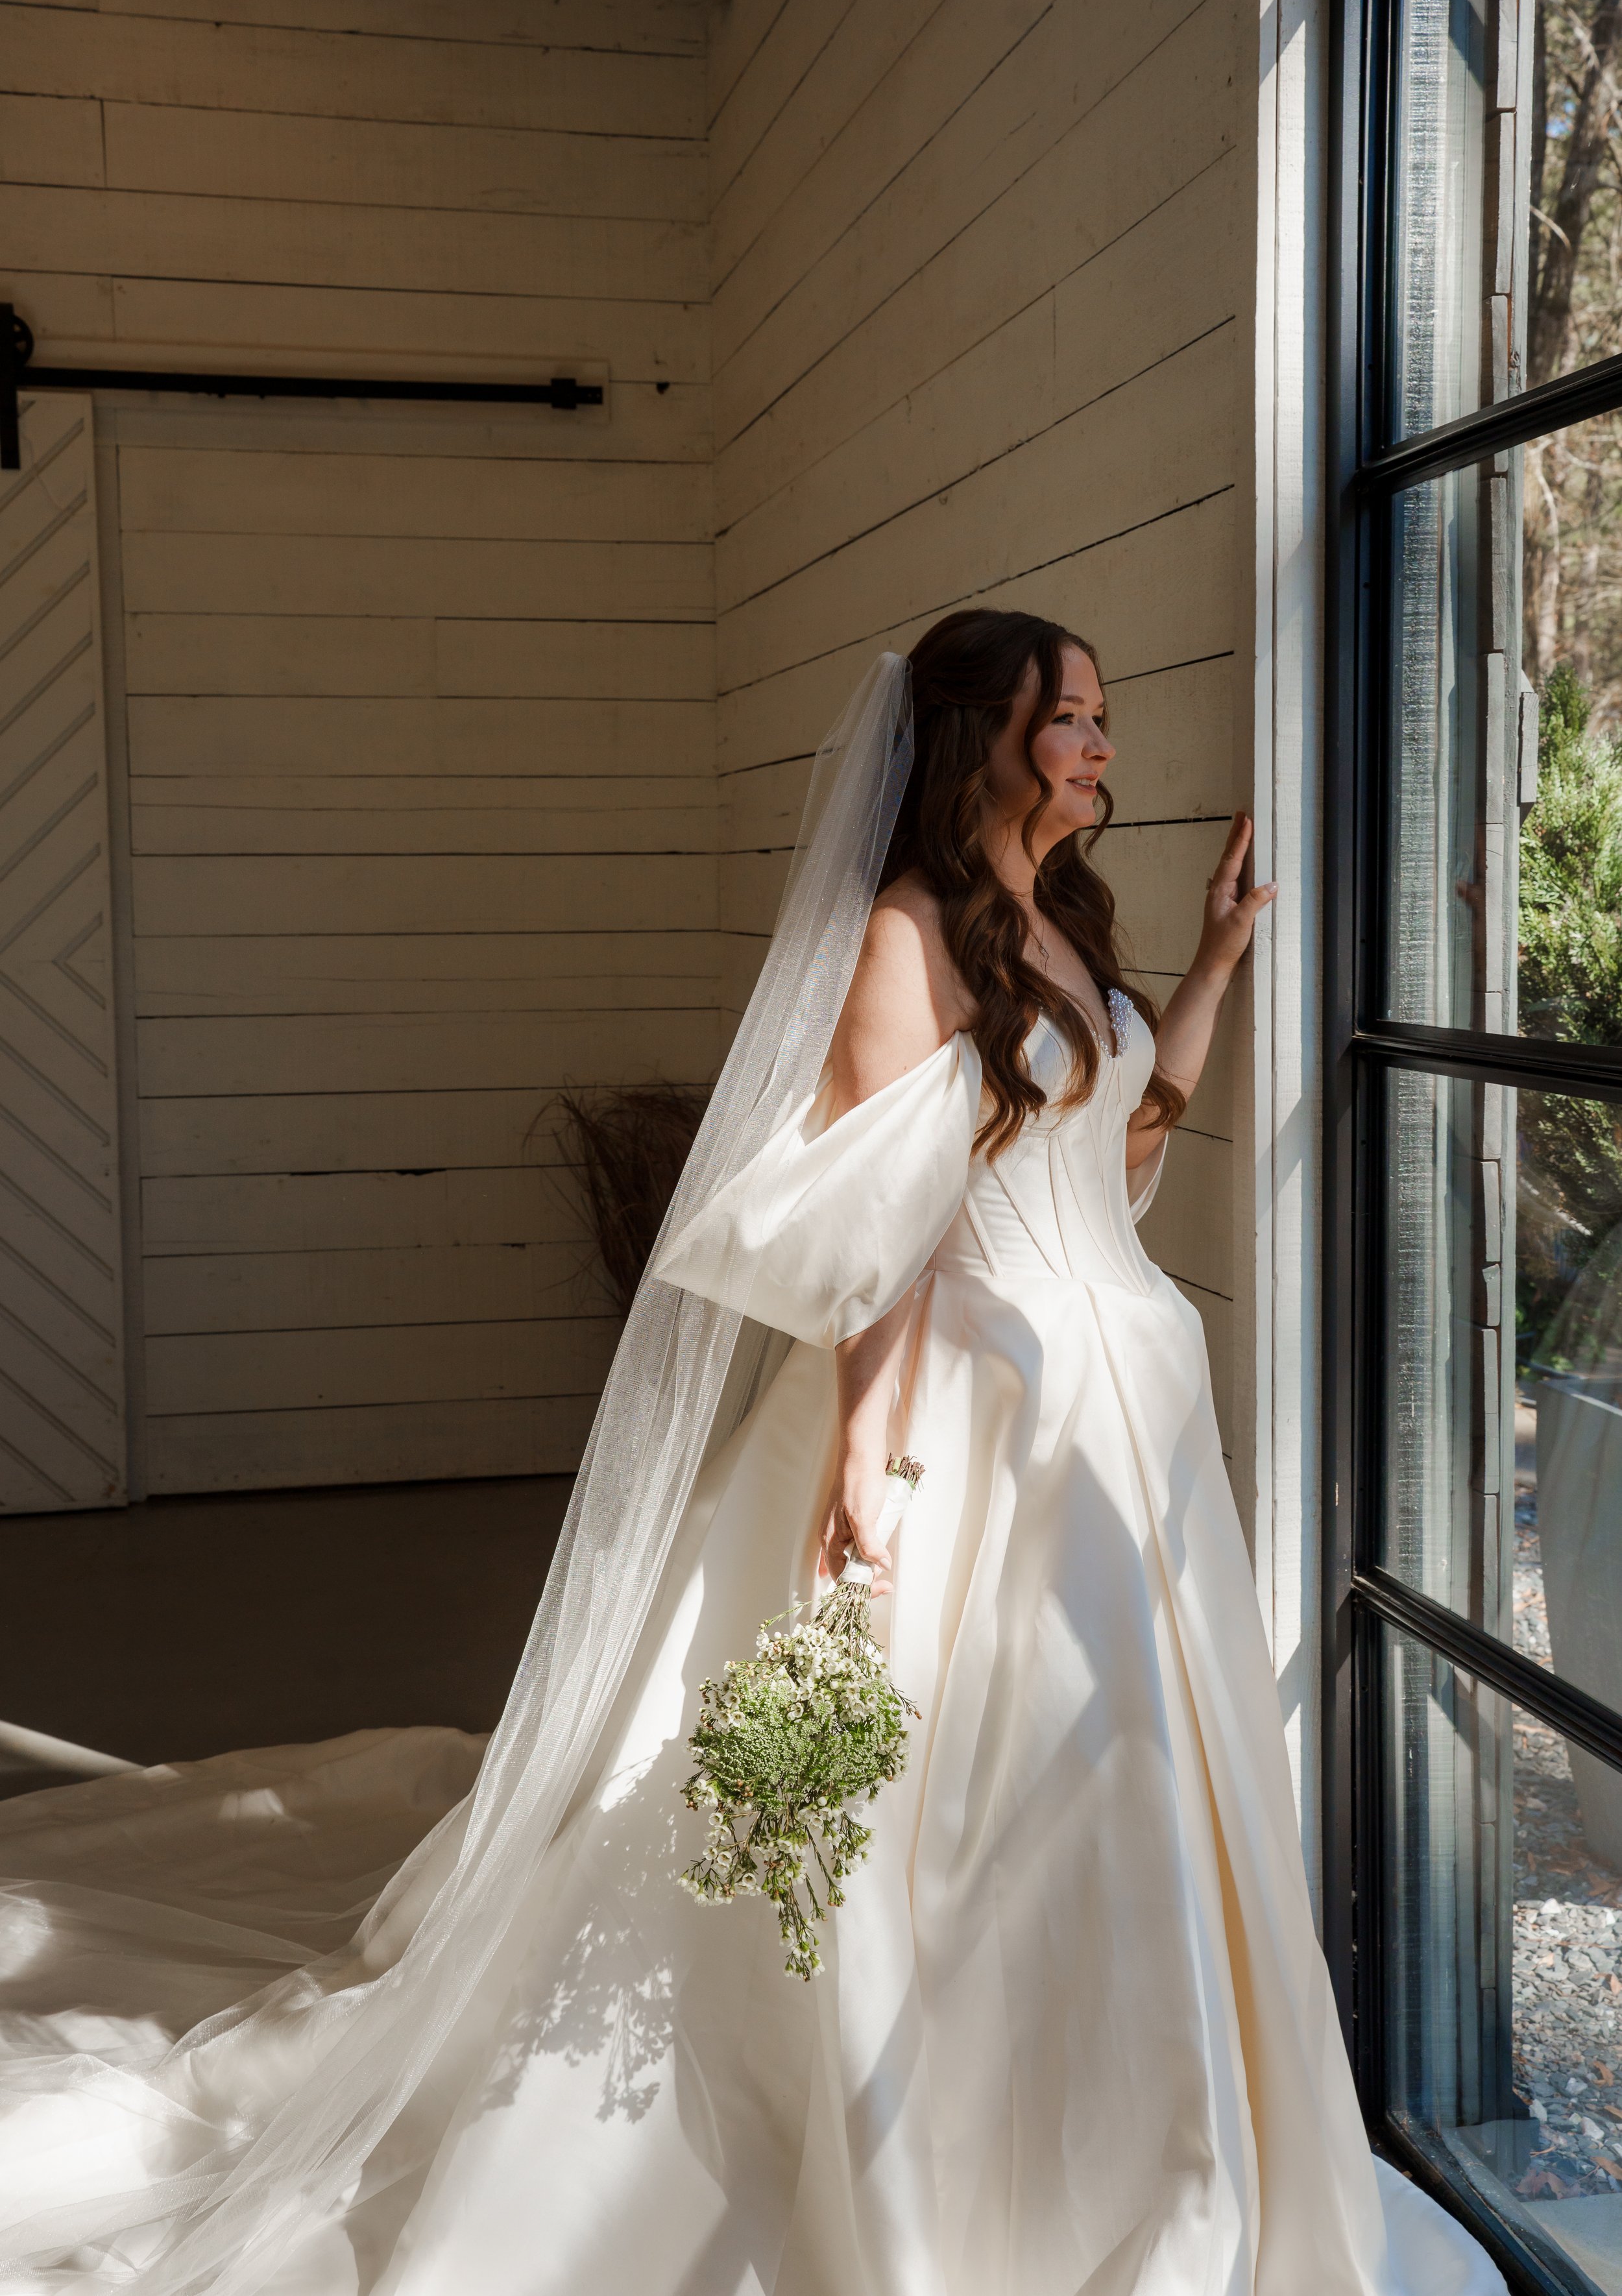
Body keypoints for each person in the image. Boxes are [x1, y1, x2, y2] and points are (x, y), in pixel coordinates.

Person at [0, 611, 1503, 2295]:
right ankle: (938, 2143)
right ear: (980, 741)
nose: (1098, 744)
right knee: (929, 1793)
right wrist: (864, 1446)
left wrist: (1215, 967)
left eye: (1096, 715)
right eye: (1067, 718)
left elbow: (1119, 1141)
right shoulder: (906, 934)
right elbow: (881, 1236)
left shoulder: (1058, 923)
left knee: (1124, 1768)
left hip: (1130, 1407)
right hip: (976, 1411)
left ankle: (1143, 2129)